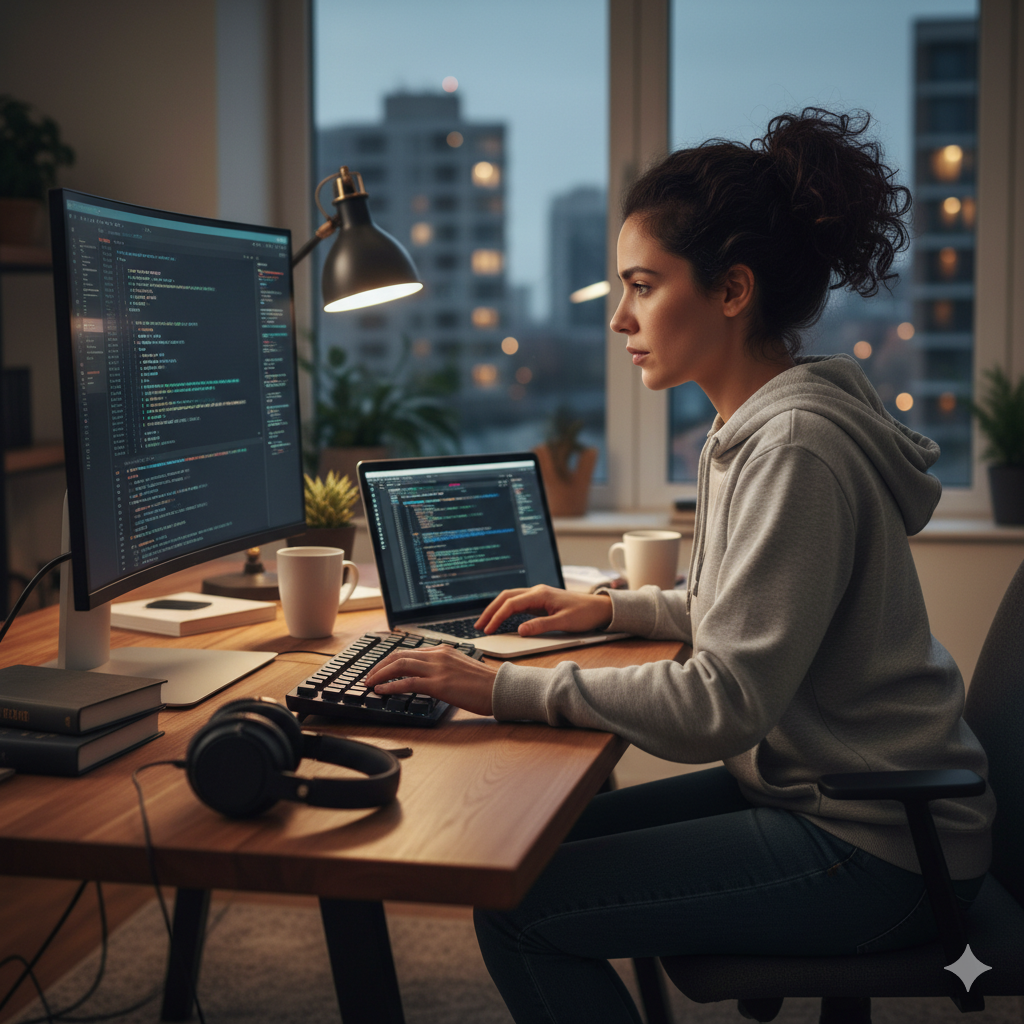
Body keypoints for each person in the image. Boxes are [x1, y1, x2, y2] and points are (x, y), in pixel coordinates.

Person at [364, 108, 995, 1024]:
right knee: (531, 843)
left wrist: (496, 687)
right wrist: (612, 613)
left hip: (880, 848)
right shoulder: (751, 426)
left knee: (519, 904)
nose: (620, 316)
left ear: (732, 289)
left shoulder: (795, 449)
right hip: (835, 801)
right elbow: (729, 604)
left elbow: (721, 702)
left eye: (643, 285)